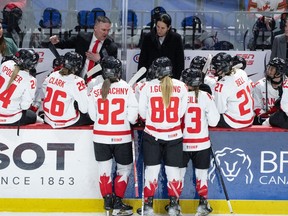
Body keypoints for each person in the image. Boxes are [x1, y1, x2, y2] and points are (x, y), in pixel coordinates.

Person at [136, 57, 188, 216]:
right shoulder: (182, 86)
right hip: (174, 135)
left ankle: (148, 205)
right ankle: (173, 206)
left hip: (152, 135)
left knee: (151, 170)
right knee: (173, 171)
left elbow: (143, 114)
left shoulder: (146, 87)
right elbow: (180, 113)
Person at [88, 56, 138, 216]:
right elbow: (132, 118)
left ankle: (107, 202)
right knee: (124, 169)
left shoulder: (95, 89)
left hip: (100, 137)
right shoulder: (126, 88)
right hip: (121, 137)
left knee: (104, 170)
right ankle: (118, 202)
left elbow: (92, 116)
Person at [179, 67, 220, 216]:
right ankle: (202, 205)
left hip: (181, 143)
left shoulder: (178, 96)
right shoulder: (206, 97)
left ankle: (174, 204)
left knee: (178, 175)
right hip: (202, 143)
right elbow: (214, 122)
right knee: (202, 175)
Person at [49, 16, 118, 83]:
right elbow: (65, 43)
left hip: (97, 85)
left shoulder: (111, 47)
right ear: (95, 28)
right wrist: (56, 42)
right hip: (77, 81)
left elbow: (113, 68)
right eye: (103, 30)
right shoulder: (82, 38)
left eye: (108, 30)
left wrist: (99, 60)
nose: (106, 33)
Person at [42, 51, 93, 128]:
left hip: (48, 119)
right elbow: (84, 109)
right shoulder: (77, 81)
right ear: (78, 66)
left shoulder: (53, 74)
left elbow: (44, 87)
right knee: (92, 116)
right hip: (65, 122)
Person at [211, 52, 254, 128]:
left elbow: (219, 110)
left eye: (216, 67)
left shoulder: (221, 85)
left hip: (234, 122)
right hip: (249, 118)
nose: (214, 69)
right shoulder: (241, 72)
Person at [137, 13, 184, 80]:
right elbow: (142, 61)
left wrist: (177, 81)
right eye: (157, 27)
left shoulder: (176, 38)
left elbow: (180, 63)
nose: (159, 30)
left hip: (170, 80)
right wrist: (141, 80)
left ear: (169, 27)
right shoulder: (148, 38)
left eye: (162, 28)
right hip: (151, 80)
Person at [0, 49, 38, 125]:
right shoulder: (30, 80)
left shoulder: (5, 64)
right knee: (33, 116)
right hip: (10, 118)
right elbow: (25, 106)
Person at [253, 57, 285, 125]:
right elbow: (256, 106)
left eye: (272, 69)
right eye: (269, 67)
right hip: (265, 118)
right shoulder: (259, 85)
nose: (268, 70)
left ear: (279, 72)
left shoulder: (286, 85)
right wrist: (264, 116)